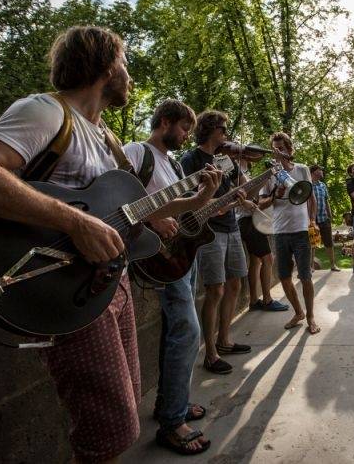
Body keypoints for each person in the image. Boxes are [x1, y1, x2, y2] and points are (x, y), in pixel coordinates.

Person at [0, 26, 216, 460]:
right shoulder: (47, 112)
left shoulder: (106, 141)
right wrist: (75, 222)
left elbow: (132, 213)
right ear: (107, 68)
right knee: (109, 430)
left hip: (109, 286)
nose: (130, 75)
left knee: (121, 419)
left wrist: (195, 201)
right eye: (125, 64)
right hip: (66, 289)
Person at [123, 99, 222, 455]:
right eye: (182, 127)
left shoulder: (175, 166)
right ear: (164, 122)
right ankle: (172, 422)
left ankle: (171, 403)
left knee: (174, 331)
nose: (186, 135)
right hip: (157, 257)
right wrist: (151, 219)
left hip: (182, 255)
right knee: (187, 330)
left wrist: (211, 200)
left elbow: (184, 214)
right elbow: (121, 200)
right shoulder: (137, 152)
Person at [181, 111, 251, 376]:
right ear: (210, 129)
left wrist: (244, 187)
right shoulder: (191, 159)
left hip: (232, 227)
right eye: (223, 129)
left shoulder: (225, 159)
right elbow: (188, 200)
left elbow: (240, 187)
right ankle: (210, 353)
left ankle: (225, 340)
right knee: (215, 290)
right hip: (209, 232)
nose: (226, 134)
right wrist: (214, 205)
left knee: (235, 283)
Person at [259, 132, 321, 335]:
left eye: (282, 148)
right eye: (275, 148)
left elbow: (311, 198)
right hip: (280, 231)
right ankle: (298, 312)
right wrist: (274, 196)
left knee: (305, 276)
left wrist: (312, 220)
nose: (278, 152)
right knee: (285, 277)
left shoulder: (302, 169)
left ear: (289, 149)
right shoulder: (270, 174)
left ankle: (311, 316)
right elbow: (261, 203)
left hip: (301, 229)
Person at [236, 159, 289, 312]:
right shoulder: (237, 171)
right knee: (268, 259)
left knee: (255, 261)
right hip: (248, 222)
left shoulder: (245, 173)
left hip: (247, 222)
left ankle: (253, 300)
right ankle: (267, 300)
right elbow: (255, 203)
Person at [310, 164, 341, 272]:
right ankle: (311, 267)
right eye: (320, 169)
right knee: (312, 243)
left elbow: (326, 200)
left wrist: (330, 214)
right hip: (312, 220)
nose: (322, 171)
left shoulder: (323, 185)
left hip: (324, 218)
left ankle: (333, 265)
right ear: (314, 172)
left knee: (329, 242)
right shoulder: (308, 185)